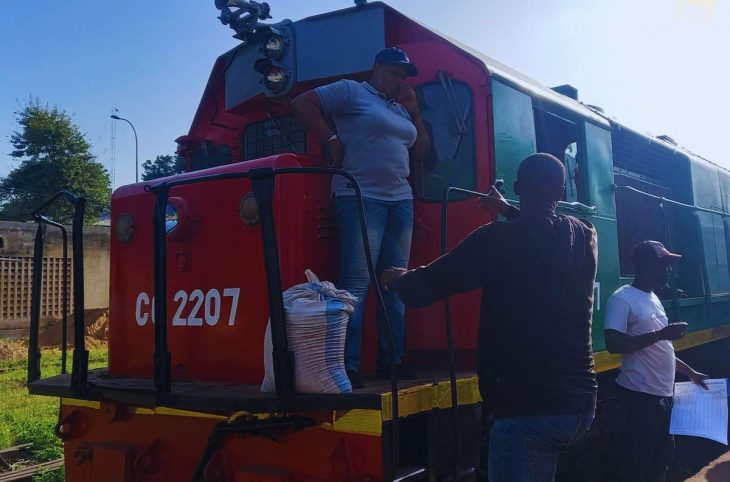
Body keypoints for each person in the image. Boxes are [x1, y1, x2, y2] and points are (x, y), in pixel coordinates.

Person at [382, 153, 598, 481]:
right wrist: (508, 211)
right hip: (580, 403)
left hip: (528, 406)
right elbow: (539, 237)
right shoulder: (586, 236)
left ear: (516, 187)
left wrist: (395, 276)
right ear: (563, 192)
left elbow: (421, 290)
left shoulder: (495, 240)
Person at [292, 47, 430, 388]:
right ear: (377, 68)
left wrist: (415, 113)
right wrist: (332, 139)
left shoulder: (400, 109)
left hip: (401, 200)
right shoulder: (352, 91)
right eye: (395, 72)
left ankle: (392, 361)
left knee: (396, 283)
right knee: (356, 282)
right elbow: (301, 103)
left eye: (404, 75)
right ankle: (347, 365)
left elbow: (422, 152)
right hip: (360, 195)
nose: (400, 79)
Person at [604, 240, 709, 482]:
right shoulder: (622, 299)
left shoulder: (652, 298)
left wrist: (691, 373)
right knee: (636, 465)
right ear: (649, 265)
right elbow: (613, 344)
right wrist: (662, 334)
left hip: (661, 398)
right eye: (666, 264)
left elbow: (662, 348)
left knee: (660, 462)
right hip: (638, 399)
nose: (670, 270)